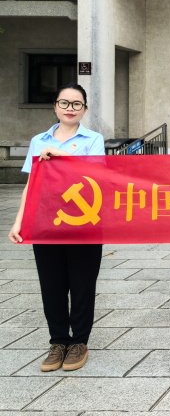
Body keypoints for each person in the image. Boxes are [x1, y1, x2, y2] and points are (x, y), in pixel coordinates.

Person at [8, 83, 106, 372]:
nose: (69, 109)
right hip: (45, 223)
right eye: (64, 103)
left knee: (82, 285)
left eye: (76, 104)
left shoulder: (93, 139)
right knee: (51, 286)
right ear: (55, 106)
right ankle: (58, 342)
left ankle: (79, 342)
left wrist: (63, 156)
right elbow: (31, 185)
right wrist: (19, 221)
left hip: (84, 224)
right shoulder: (39, 140)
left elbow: (97, 174)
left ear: (84, 110)